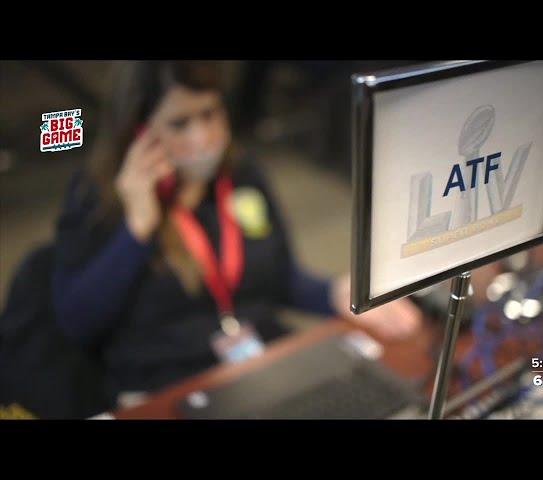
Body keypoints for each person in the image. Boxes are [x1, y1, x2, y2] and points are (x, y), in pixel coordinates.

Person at [51, 61, 422, 403]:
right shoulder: (96, 196)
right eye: (180, 123)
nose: (204, 138)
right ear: (137, 130)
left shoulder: (241, 174)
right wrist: (135, 230)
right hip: (168, 387)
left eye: (210, 113)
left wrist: (334, 293)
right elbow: (78, 326)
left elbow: (279, 278)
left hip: (258, 368)